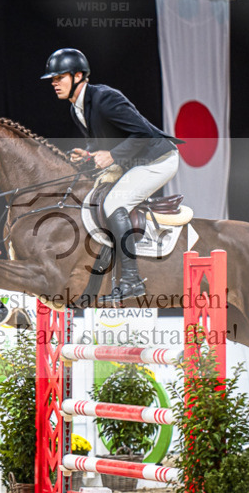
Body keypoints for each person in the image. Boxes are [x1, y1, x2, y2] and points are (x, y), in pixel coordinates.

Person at [41, 48, 181, 303]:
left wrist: (113, 157)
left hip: (158, 160)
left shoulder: (106, 98)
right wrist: (87, 154)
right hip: (133, 161)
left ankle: (131, 281)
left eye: (59, 77)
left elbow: (143, 134)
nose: (54, 83)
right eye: (52, 79)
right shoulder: (77, 109)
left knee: (115, 202)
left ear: (78, 76)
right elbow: (103, 141)